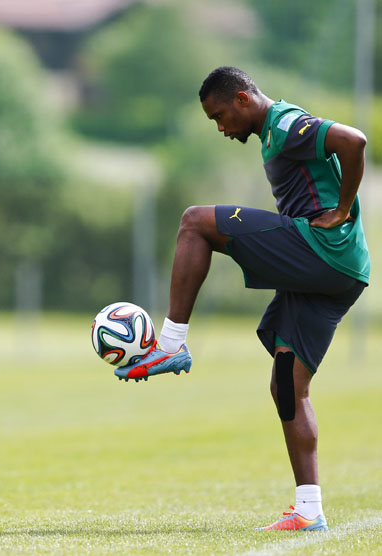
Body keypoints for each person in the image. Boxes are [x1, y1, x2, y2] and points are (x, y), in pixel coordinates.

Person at [115, 66, 369, 531]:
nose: (220, 127)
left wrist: (343, 210)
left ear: (243, 98)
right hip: (341, 272)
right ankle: (309, 511)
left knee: (195, 221)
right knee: (287, 387)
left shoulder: (286, 124)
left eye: (219, 115)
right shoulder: (271, 135)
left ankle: (171, 343)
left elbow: (354, 141)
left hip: (323, 251)